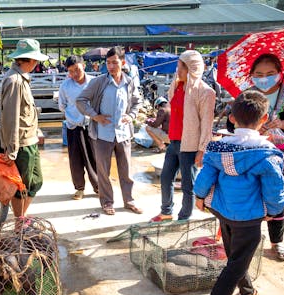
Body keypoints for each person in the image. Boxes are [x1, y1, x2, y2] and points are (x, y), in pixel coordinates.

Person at [194, 90, 284, 295]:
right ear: (264, 119)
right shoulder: (265, 154)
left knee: (236, 256)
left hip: (223, 211)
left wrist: (199, 196)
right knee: (238, 261)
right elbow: (275, 189)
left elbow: (205, 176)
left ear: (232, 118)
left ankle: (246, 291)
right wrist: (274, 212)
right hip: (249, 217)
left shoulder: (218, 148)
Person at [76, 46, 143, 215]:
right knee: (103, 171)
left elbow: (137, 101)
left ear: (123, 62)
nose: (111, 66)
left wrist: (132, 115)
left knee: (126, 170)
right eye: (108, 63)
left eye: (114, 63)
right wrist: (94, 116)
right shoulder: (99, 82)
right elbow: (81, 100)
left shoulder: (129, 82)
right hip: (103, 134)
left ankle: (129, 200)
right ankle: (107, 202)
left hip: (123, 133)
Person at [150, 50, 215, 222]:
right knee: (165, 178)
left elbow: (207, 124)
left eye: (181, 67)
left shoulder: (205, 92)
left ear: (192, 69)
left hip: (190, 145)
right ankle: (166, 211)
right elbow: (172, 100)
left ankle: (184, 217)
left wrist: (202, 150)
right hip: (174, 141)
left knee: (188, 185)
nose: (178, 70)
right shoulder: (178, 86)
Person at [249, 53, 284, 261]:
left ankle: (277, 241)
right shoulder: (248, 95)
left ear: (279, 73)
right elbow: (233, 124)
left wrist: (283, 125)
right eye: (259, 74)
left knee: (277, 198)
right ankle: (248, 240)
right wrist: (254, 128)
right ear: (251, 75)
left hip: (281, 154)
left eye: (270, 73)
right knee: (250, 196)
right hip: (253, 153)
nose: (264, 78)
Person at [0, 38, 47, 219]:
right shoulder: (14, 81)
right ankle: (19, 224)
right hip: (21, 144)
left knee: (36, 182)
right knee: (21, 187)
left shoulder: (21, 78)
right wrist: (11, 151)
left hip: (30, 139)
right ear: (32, 61)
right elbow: (10, 119)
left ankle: (20, 218)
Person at [58, 55, 98, 200]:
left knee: (94, 157)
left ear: (83, 66)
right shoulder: (65, 86)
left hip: (92, 125)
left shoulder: (95, 82)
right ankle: (79, 188)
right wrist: (72, 116)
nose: (75, 74)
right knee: (75, 159)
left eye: (77, 69)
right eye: (71, 71)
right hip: (73, 126)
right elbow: (62, 106)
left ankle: (98, 186)